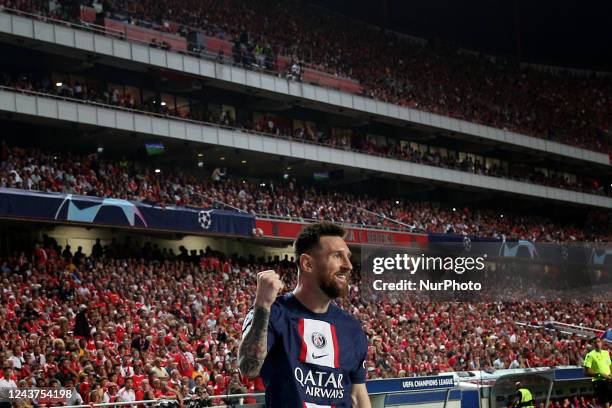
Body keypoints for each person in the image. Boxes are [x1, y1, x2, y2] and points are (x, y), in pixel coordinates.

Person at [238, 222, 371, 407]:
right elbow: (247, 368)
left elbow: (358, 395)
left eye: (348, 257)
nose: (349, 265)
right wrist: (262, 306)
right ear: (307, 263)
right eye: (337, 256)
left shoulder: (352, 328)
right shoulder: (272, 313)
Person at [583, 336, 612, 407]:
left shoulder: (606, 353)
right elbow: (586, 372)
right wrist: (600, 375)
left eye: (598, 341)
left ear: (601, 343)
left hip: (609, 380)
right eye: (595, 342)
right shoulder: (589, 355)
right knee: (605, 403)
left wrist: (611, 375)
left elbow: (610, 366)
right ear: (592, 345)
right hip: (599, 382)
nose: (597, 344)